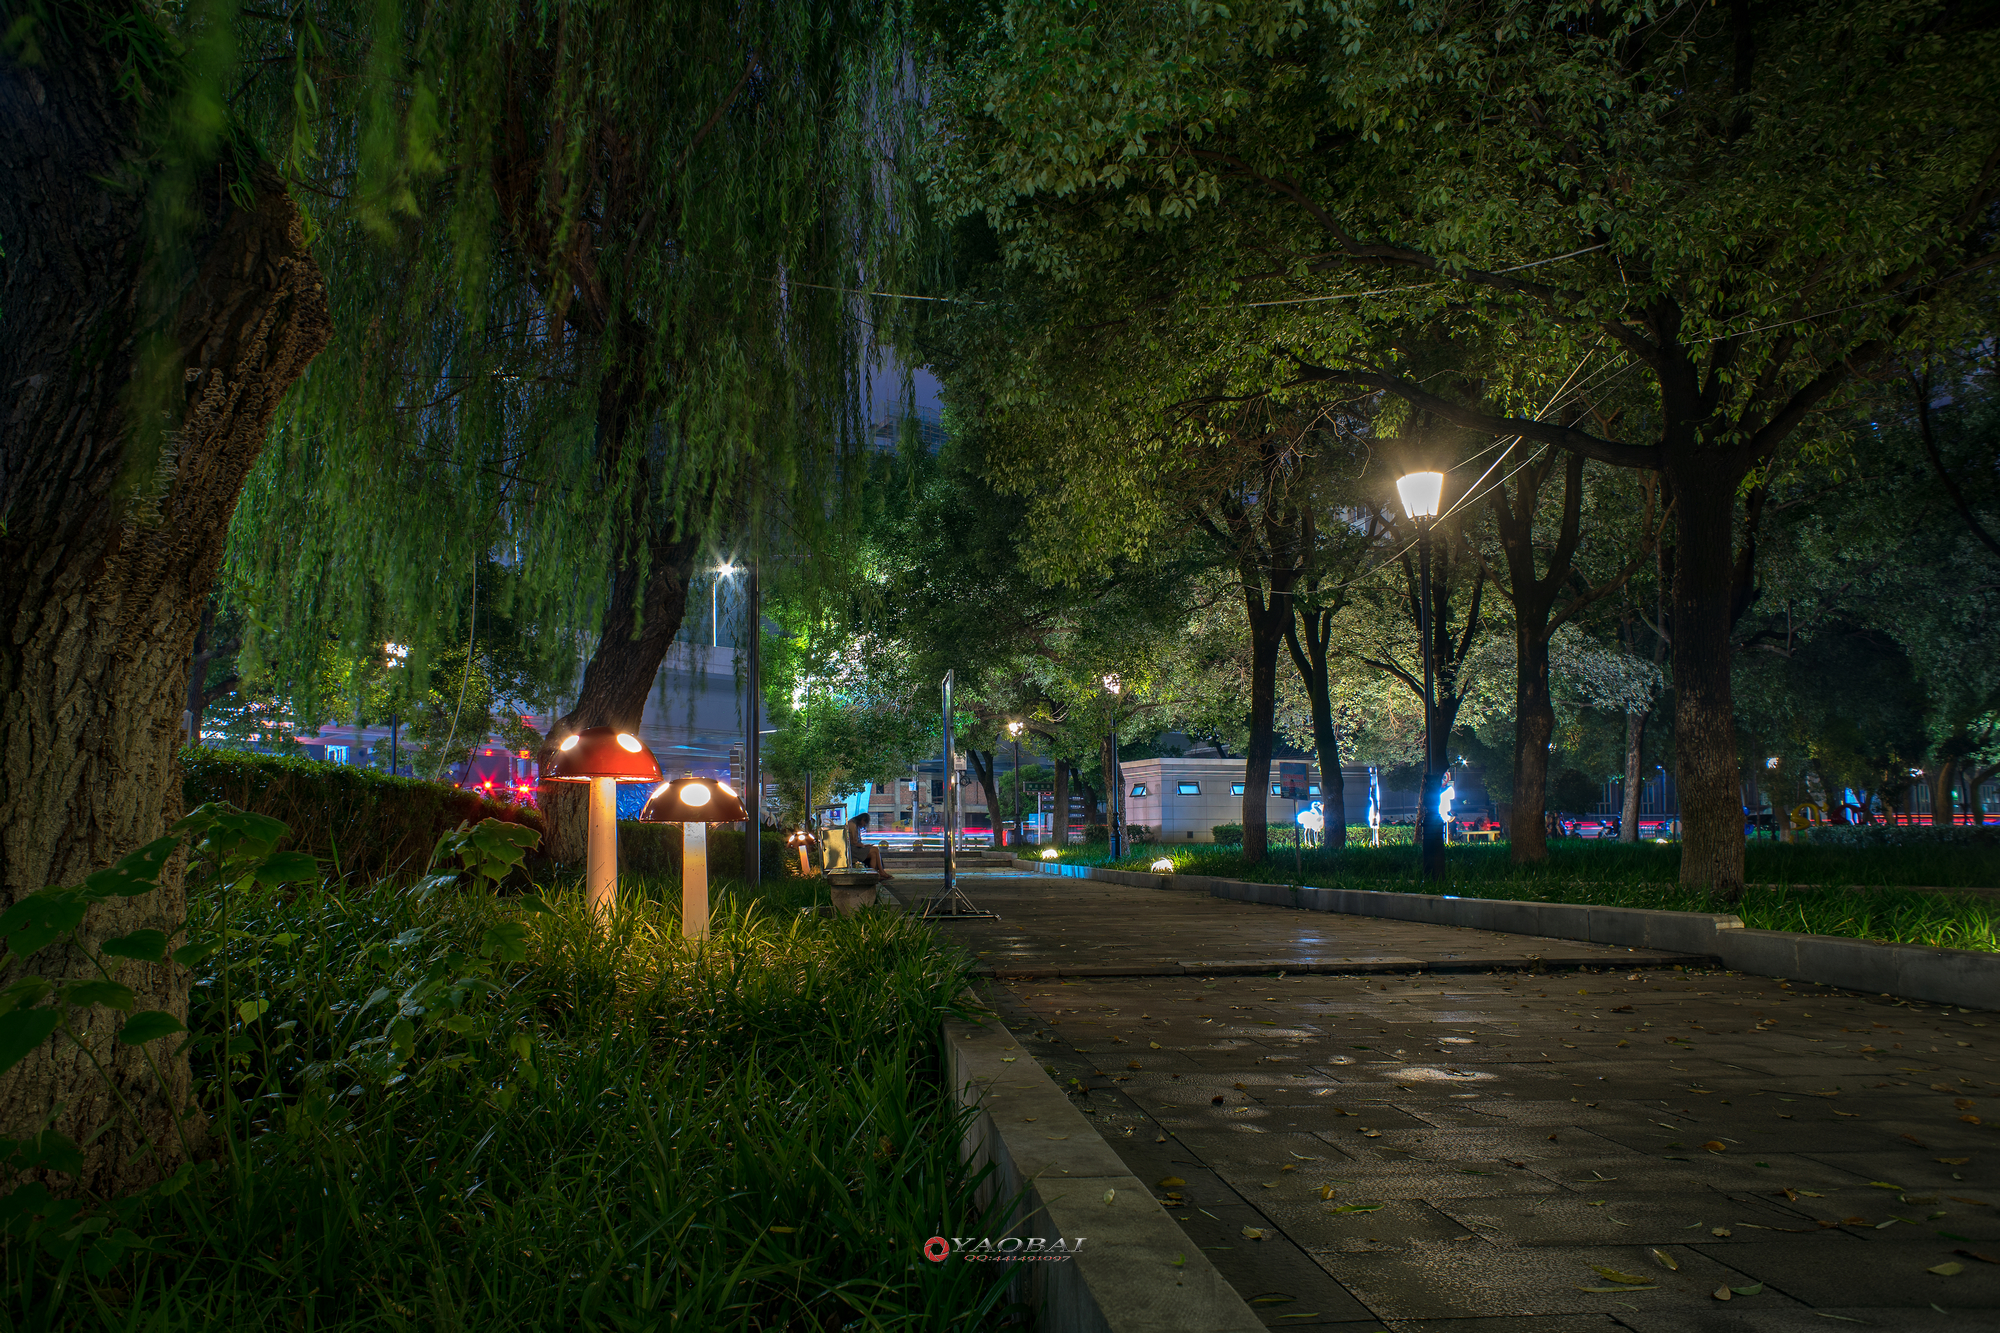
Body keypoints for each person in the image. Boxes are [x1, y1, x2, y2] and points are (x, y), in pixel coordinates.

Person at [843, 811, 893, 880]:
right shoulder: (852, 825)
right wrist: (864, 846)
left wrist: (865, 846)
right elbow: (854, 842)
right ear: (862, 819)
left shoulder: (855, 824)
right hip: (853, 850)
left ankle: (874, 874)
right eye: (865, 823)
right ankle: (881, 871)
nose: (864, 826)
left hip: (855, 848)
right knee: (875, 849)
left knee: (873, 854)